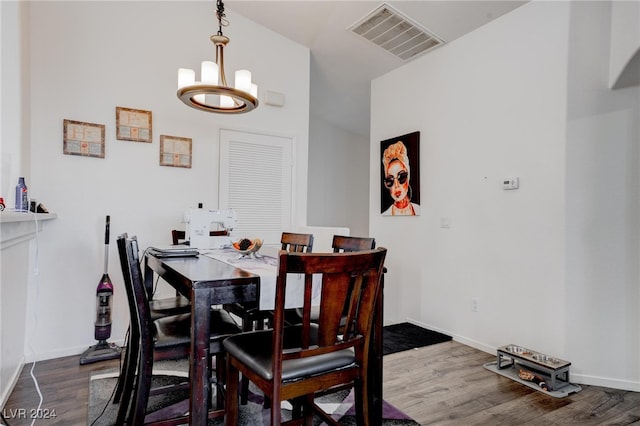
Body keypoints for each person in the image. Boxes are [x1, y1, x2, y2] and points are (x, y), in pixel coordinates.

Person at [382, 141, 420, 216]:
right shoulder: (384, 215)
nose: (396, 185)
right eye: (390, 181)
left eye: (401, 177)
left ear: (408, 177)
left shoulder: (419, 209)